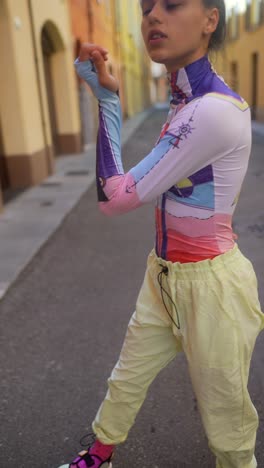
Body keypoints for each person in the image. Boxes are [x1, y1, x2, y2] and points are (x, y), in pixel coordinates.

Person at [58, 1, 264, 467]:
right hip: (165, 276)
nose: (153, 16)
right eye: (147, 6)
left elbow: (118, 196)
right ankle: (99, 453)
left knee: (228, 421)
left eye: (171, 4)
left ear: (211, 19)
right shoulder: (184, 103)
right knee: (126, 377)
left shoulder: (211, 111)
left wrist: (108, 103)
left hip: (213, 290)